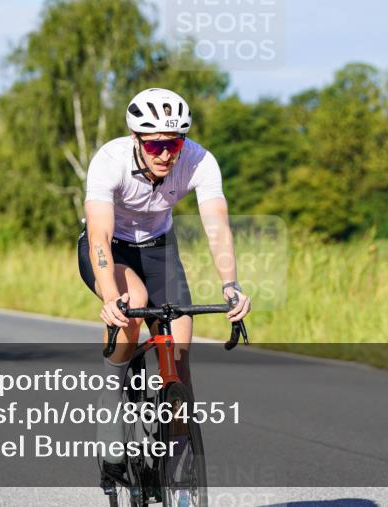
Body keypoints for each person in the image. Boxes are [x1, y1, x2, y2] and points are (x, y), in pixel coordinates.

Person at [77, 87, 250, 480]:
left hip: (159, 249)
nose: (166, 154)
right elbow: (99, 238)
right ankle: (111, 401)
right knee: (132, 304)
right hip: (111, 250)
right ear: (136, 139)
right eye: (155, 146)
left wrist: (231, 285)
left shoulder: (199, 161)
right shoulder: (110, 161)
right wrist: (109, 296)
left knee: (180, 349)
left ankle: (179, 464)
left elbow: (217, 226)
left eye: (174, 143)